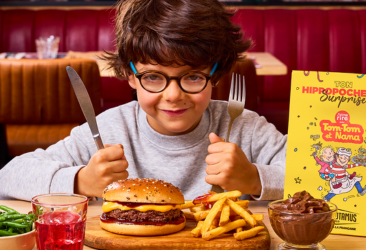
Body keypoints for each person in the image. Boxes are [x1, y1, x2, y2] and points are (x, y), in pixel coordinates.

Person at [0, 0, 287, 201]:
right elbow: (8, 177)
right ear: (129, 75)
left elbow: (321, 177)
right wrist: (79, 181)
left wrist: (254, 178)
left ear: (217, 73)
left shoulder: (244, 127)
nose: (173, 95)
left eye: (192, 77)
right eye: (152, 77)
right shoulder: (110, 129)